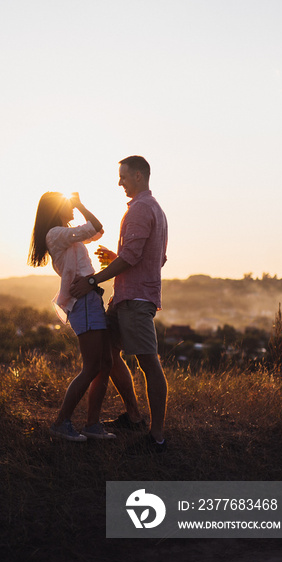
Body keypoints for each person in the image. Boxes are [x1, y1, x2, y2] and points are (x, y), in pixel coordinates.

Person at [70, 156, 168, 452]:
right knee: (106, 355)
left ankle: (157, 437)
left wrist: (92, 280)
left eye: (123, 176)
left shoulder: (140, 209)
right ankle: (134, 416)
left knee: (149, 363)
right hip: (126, 295)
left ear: (139, 176)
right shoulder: (155, 209)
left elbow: (134, 257)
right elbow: (153, 257)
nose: (119, 182)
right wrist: (117, 258)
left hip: (136, 299)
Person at [28, 191, 116, 442]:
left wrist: (77, 206)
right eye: (68, 206)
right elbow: (95, 227)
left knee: (105, 362)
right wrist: (81, 204)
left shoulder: (67, 236)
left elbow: (97, 233)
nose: (73, 210)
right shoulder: (57, 234)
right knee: (92, 367)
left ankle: (92, 424)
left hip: (91, 299)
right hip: (83, 302)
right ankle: (61, 422)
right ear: (57, 209)